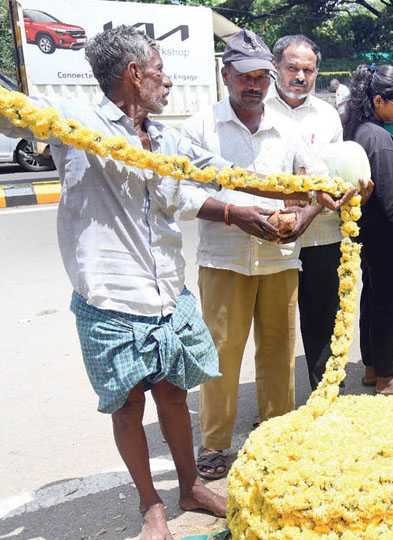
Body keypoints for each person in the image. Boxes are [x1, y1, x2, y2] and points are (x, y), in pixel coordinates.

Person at [0, 25, 333, 539]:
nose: (168, 81)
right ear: (134, 74)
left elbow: (217, 171)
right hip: (112, 295)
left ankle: (189, 487)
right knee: (131, 403)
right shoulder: (76, 123)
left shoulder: (166, 137)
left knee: (175, 394)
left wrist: (307, 187)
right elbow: (11, 114)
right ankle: (151, 507)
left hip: (167, 291)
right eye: (160, 71)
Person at [178, 29, 327, 480]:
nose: (255, 85)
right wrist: (231, 213)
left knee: (279, 351)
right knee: (221, 355)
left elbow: (320, 181)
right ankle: (215, 444)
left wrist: (304, 218)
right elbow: (180, 194)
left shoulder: (287, 129)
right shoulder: (201, 127)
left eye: (262, 76)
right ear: (226, 75)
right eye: (245, 76)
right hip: (224, 260)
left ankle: (276, 432)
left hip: (281, 259)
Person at [266, 35, 354, 392]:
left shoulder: (327, 115)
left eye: (308, 69)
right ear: (276, 67)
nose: (300, 76)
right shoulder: (260, 111)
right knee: (275, 328)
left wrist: (317, 203)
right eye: (292, 67)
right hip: (273, 238)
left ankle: (327, 397)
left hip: (323, 235)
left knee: (324, 322)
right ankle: (278, 407)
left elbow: (336, 176)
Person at [342, 64, 393, 395]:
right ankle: (387, 379)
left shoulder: (359, 130)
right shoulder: (379, 139)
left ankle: (372, 367)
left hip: (369, 235)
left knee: (373, 303)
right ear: (378, 100)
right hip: (389, 239)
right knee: (388, 309)